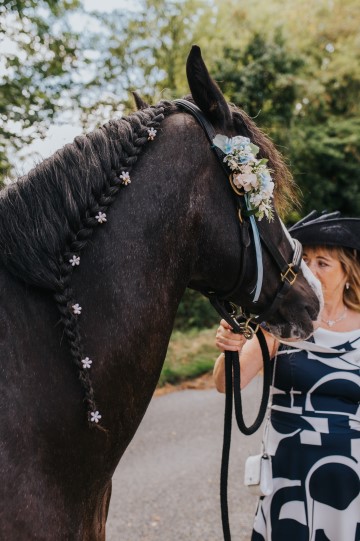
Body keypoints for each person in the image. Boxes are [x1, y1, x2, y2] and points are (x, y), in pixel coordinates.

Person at [213, 211, 360, 540]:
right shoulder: (281, 322)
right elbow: (227, 384)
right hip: (288, 470)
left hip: (351, 473)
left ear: (348, 273)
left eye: (324, 262)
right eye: (305, 260)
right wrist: (230, 349)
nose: (312, 269)